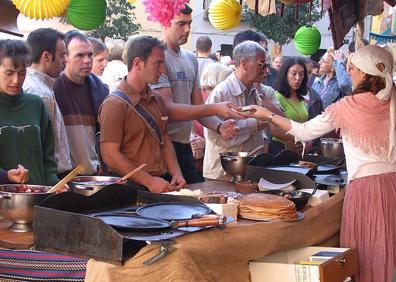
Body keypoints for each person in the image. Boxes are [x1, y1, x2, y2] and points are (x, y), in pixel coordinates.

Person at [246, 45, 396, 282]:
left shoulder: (350, 105)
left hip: (366, 189)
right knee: (388, 250)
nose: (349, 72)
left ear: (366, 74)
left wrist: (269, 115)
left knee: (369, 252)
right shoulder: (390, 100)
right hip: (392, 184)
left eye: (353, 68)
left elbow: (305, 132)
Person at [151, 4, 242, 184]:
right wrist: (216, 108)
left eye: (189, 23)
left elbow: (198, 107)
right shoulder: (157, 57)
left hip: (184, 146)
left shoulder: (190, 57)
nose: (187, 29)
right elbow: (168, 109)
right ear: (164, 23)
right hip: (161, 147)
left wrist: (218, 126)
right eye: (181, 24)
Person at [99, 35, 186, 193]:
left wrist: (176, 173)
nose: (162, 70)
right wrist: (149, 181)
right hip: (129, 190)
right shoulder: (114, 104)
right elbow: (110, 155)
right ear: (138, 63)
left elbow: (165, 139)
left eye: (163, 63)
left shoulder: (157, 99)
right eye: (157, 63)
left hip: (160, 183)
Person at [203, 41, 270, 181]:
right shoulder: (221, 92)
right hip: (222, 176)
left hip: (247, 173)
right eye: (261, 64)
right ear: (244, 64)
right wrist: (254, 124)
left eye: (266, 65)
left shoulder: (253, 90)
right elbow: (214, 135)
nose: (266, 70)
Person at [0, 39, 59, 185]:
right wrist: (6, 175)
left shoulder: (36, 104)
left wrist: (54, 183)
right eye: (9, 73)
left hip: (38, 195)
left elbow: (48, 155)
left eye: (22, 73)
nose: (16, 80)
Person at [54, 31, 109, 175]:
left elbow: (104, 134)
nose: (87, 60)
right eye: (80, 55)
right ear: (65, 57)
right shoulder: (53, 87)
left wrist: (103, 165)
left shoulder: (100, 89)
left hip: (93, 175)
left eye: (90, 55)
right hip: (62, 178)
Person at [24, 28, 73, 177]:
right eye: (62, 55)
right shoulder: (39, 92)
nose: (65, 60)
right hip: (50, 178)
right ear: (46, 56)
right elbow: (38, 147)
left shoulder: (43, 87)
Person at [191, 62, 233, 180]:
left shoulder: (222, 98)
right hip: (199, 163)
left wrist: (204, 143)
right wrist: (194, 140)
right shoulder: (199, 98)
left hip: (211, 159)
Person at [269, 57, 311, 155]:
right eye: (293, 74)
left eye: (301, 74)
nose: (297, 78)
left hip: (299, 151)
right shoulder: (277, 97)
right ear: (285, 75)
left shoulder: (301, 98)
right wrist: (298, 139)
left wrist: (308, 140)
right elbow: (274, 130)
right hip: (281, 150)